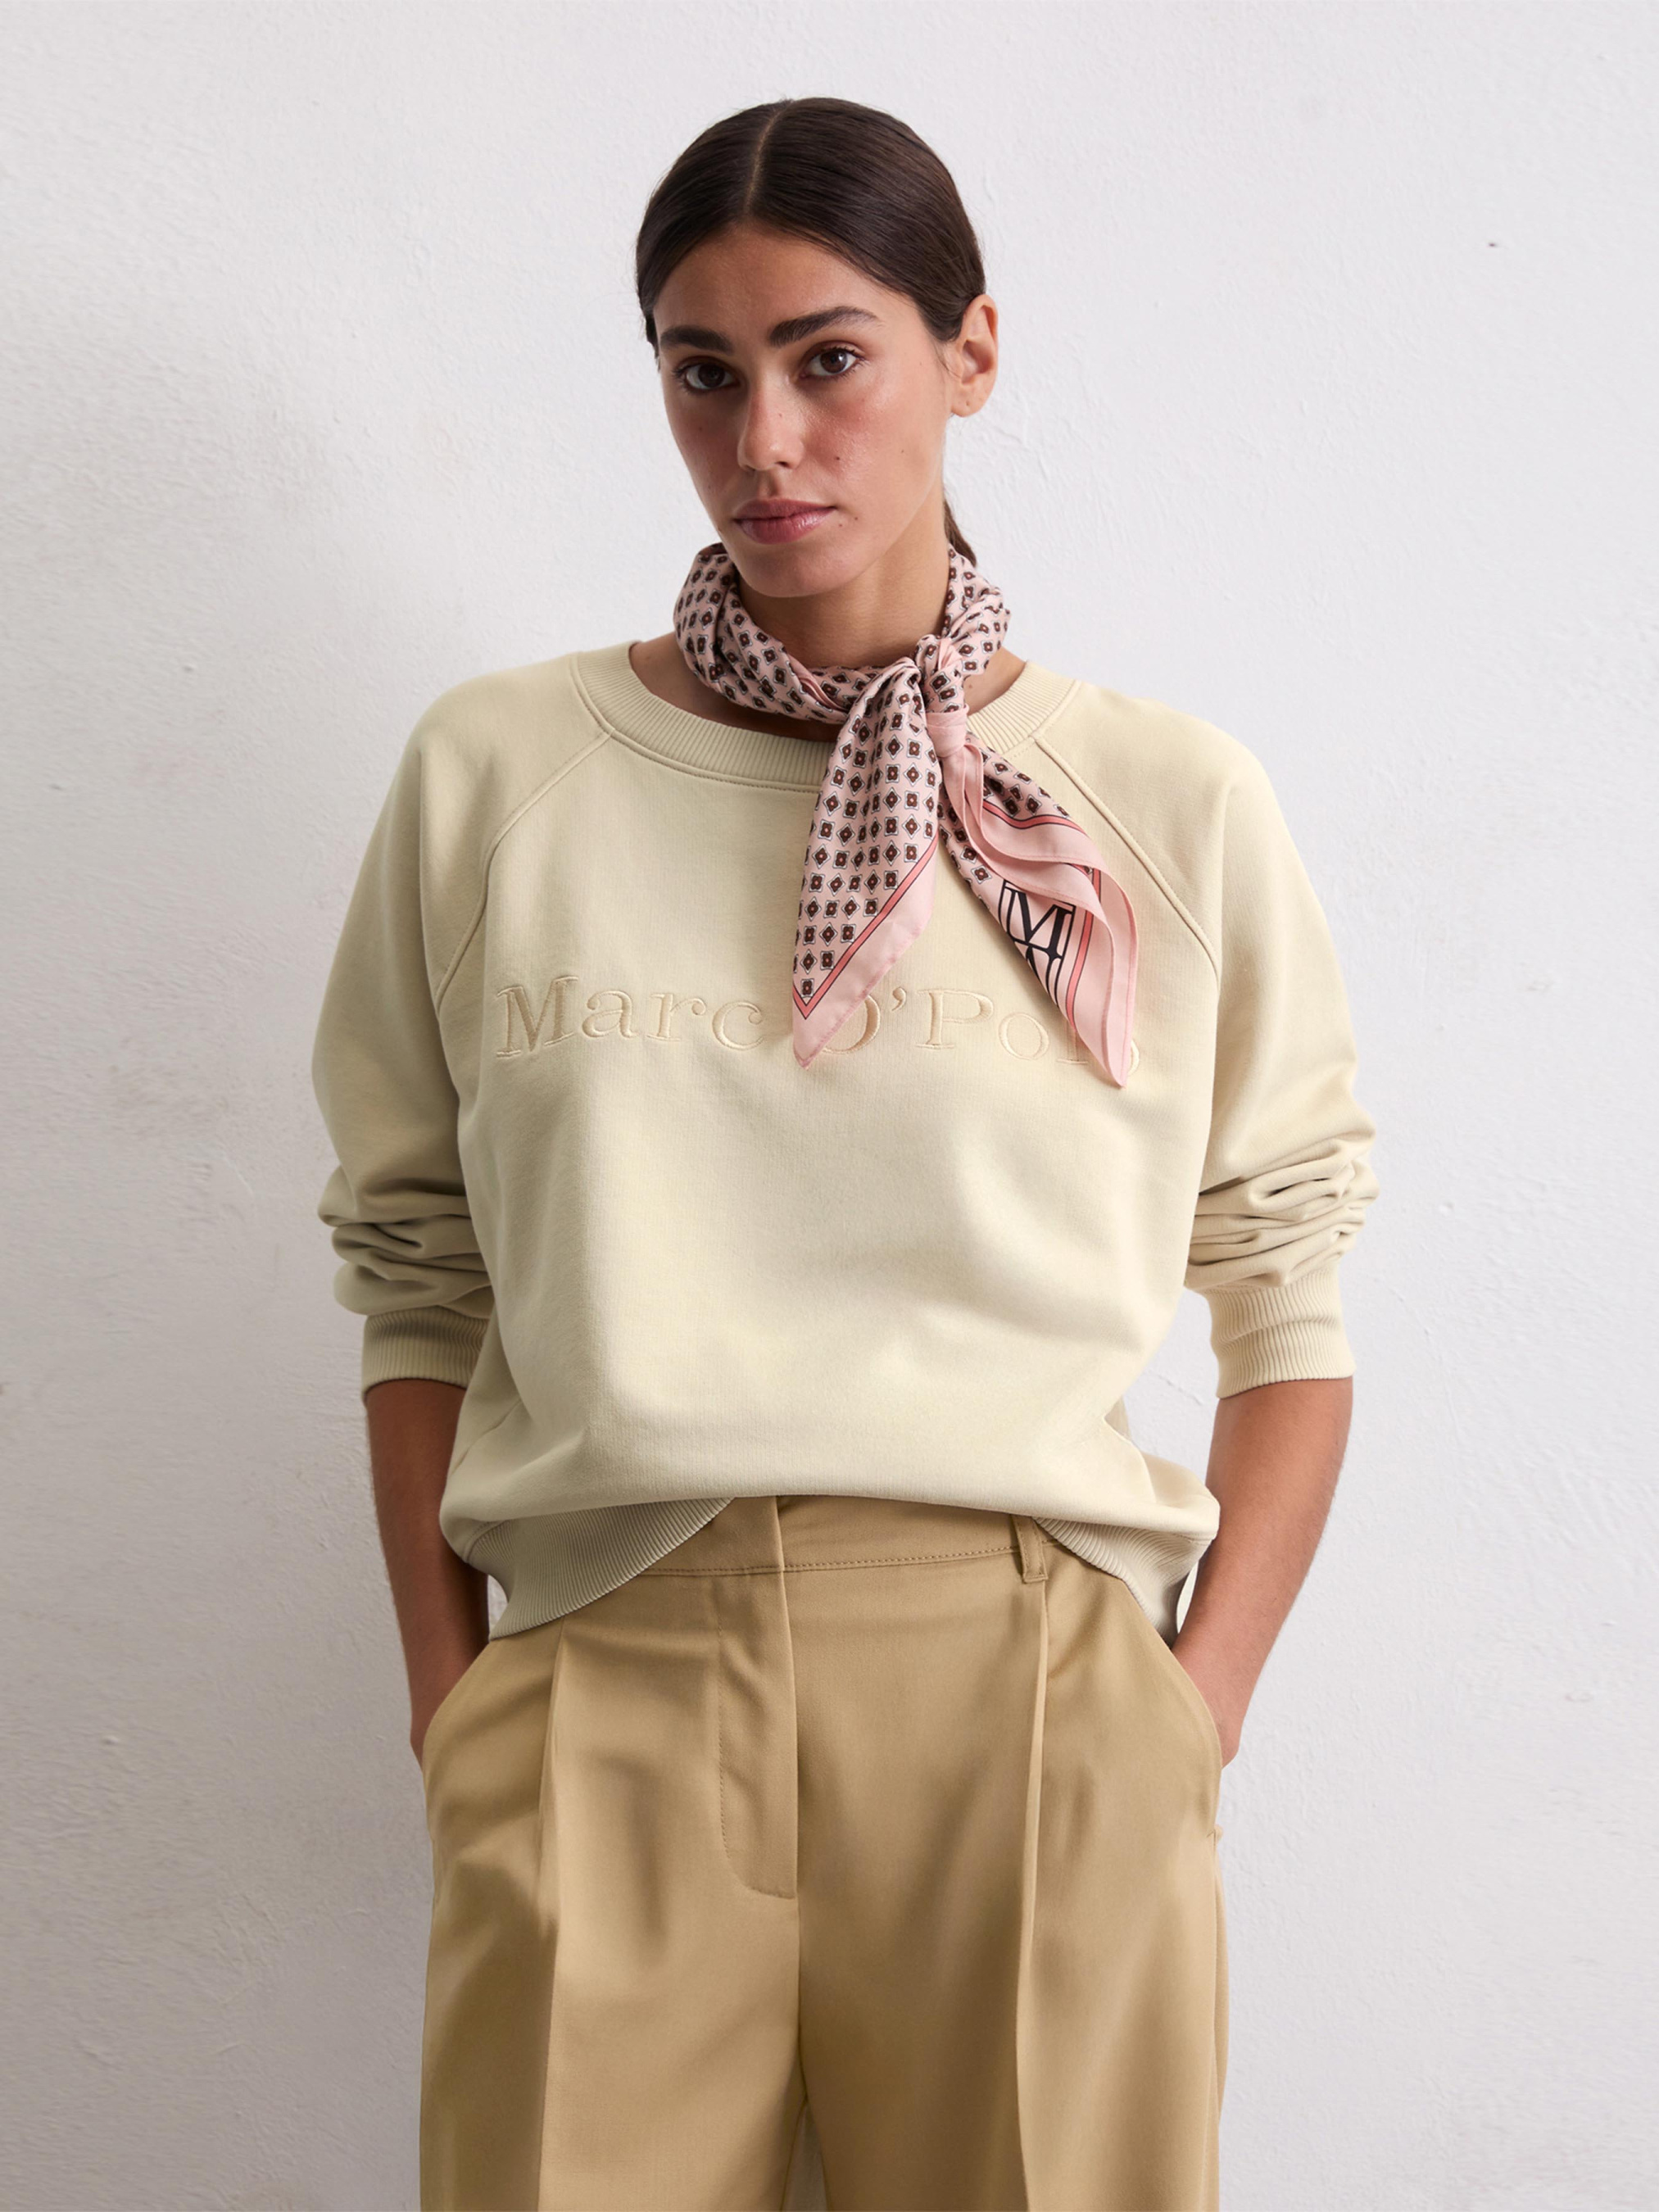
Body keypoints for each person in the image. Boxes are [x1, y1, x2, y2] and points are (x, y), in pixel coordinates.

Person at [310, 95, 1379, 2212]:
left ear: (968, 352)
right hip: (607, 1653)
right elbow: (417, 1267)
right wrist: (458, 1707)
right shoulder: (500, 774)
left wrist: (1193, 1709)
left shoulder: (1159, 798)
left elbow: (1287, 1279)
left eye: (829, 358)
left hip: (1032, 1684)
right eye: (701, 373)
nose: (765, 441)